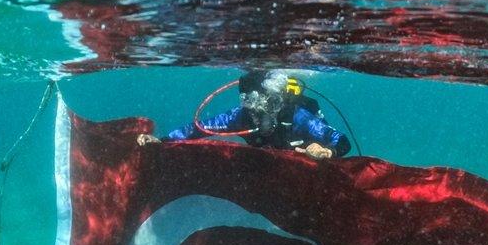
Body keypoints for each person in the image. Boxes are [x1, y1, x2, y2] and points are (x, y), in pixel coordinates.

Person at [136, 69, 351, 159]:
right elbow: (197, 129)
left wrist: (326, 151)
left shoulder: (297, 116)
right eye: (251, 105)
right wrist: (162, 141)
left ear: (276, 102)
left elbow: (342, 142)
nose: (258, 113)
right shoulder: (239, 117)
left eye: (266, 105)